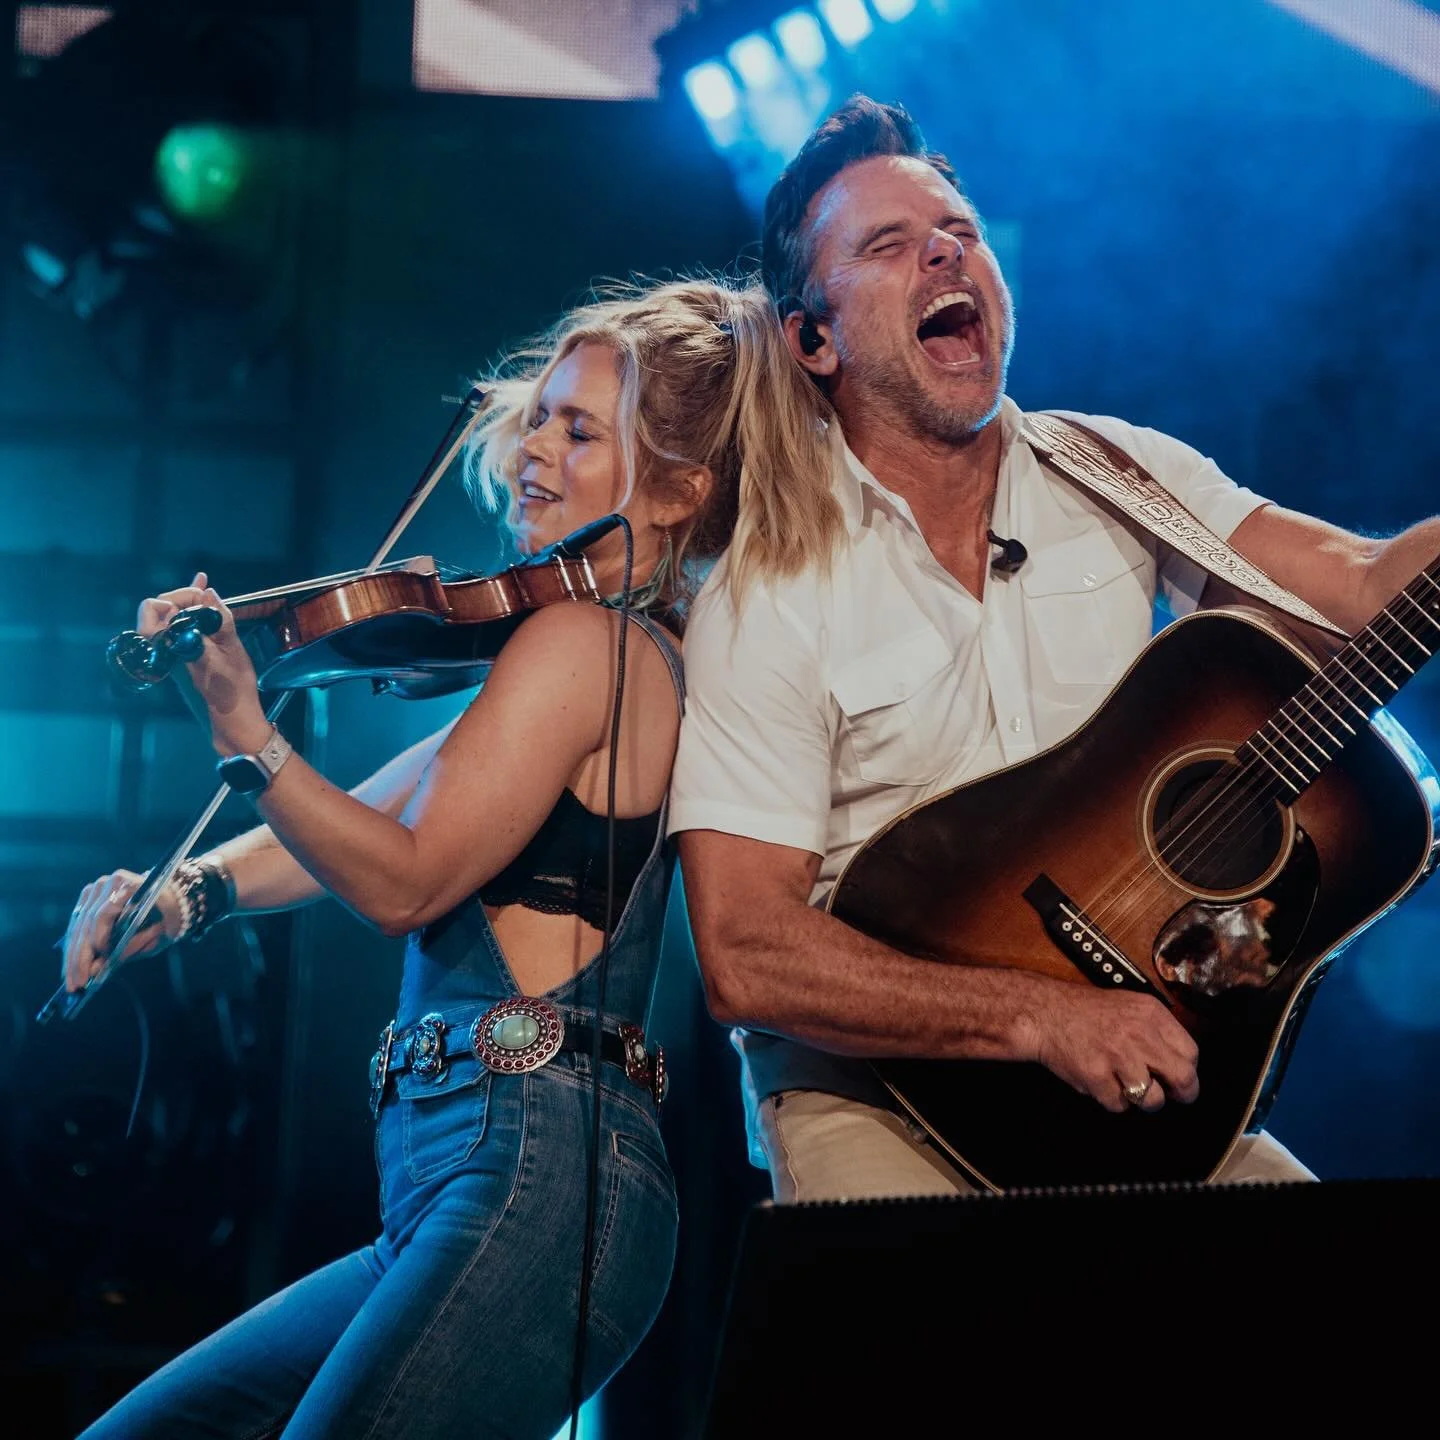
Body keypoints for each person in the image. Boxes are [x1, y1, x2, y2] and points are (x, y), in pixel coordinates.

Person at [59, 276, 832, 1439]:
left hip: (534, 1169)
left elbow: (403, 877)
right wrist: (190, 892)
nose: (534, 447)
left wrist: (243, 730)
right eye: (540, 415)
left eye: (581, 431)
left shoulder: (591, 643)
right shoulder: (587, 654)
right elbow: (360, 816)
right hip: (463, 1178)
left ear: (677, 490)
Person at [669, 96, 1440, 1204]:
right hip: (880, 1100)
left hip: (1134, 1091)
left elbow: (1365, 586)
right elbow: (747, 953)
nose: (944, 250)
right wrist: (1038, 1015)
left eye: (960, 232)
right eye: (888, 245)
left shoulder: (1121, 473)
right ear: (813, 338)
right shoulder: (771, 589)